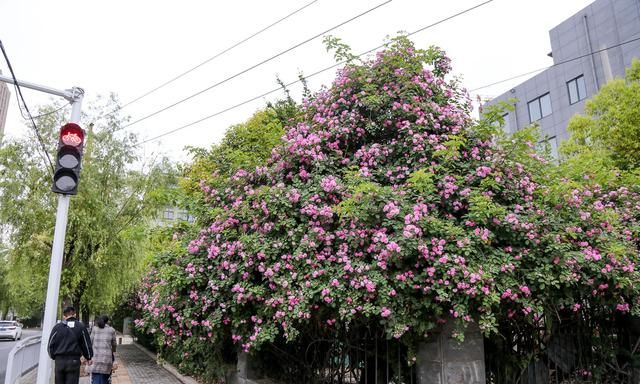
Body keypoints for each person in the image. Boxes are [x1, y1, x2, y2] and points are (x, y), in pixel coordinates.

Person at [48, 306, 93, 384]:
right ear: (75, 315)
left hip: (59, 361)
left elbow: (50, 345)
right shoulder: (81, 327)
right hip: (74, 361)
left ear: (64, 316)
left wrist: (53, 356)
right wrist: (89, 357)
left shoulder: (57, 327)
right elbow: (86, 344)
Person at [88, 315, 117, 384]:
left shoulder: (95, 329)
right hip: (106, 358)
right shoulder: (111, 330)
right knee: (105, 378)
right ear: (107, 321)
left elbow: (90, 342)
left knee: (95, 377)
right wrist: (113, 351)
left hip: (95, 358)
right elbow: (114, 344)